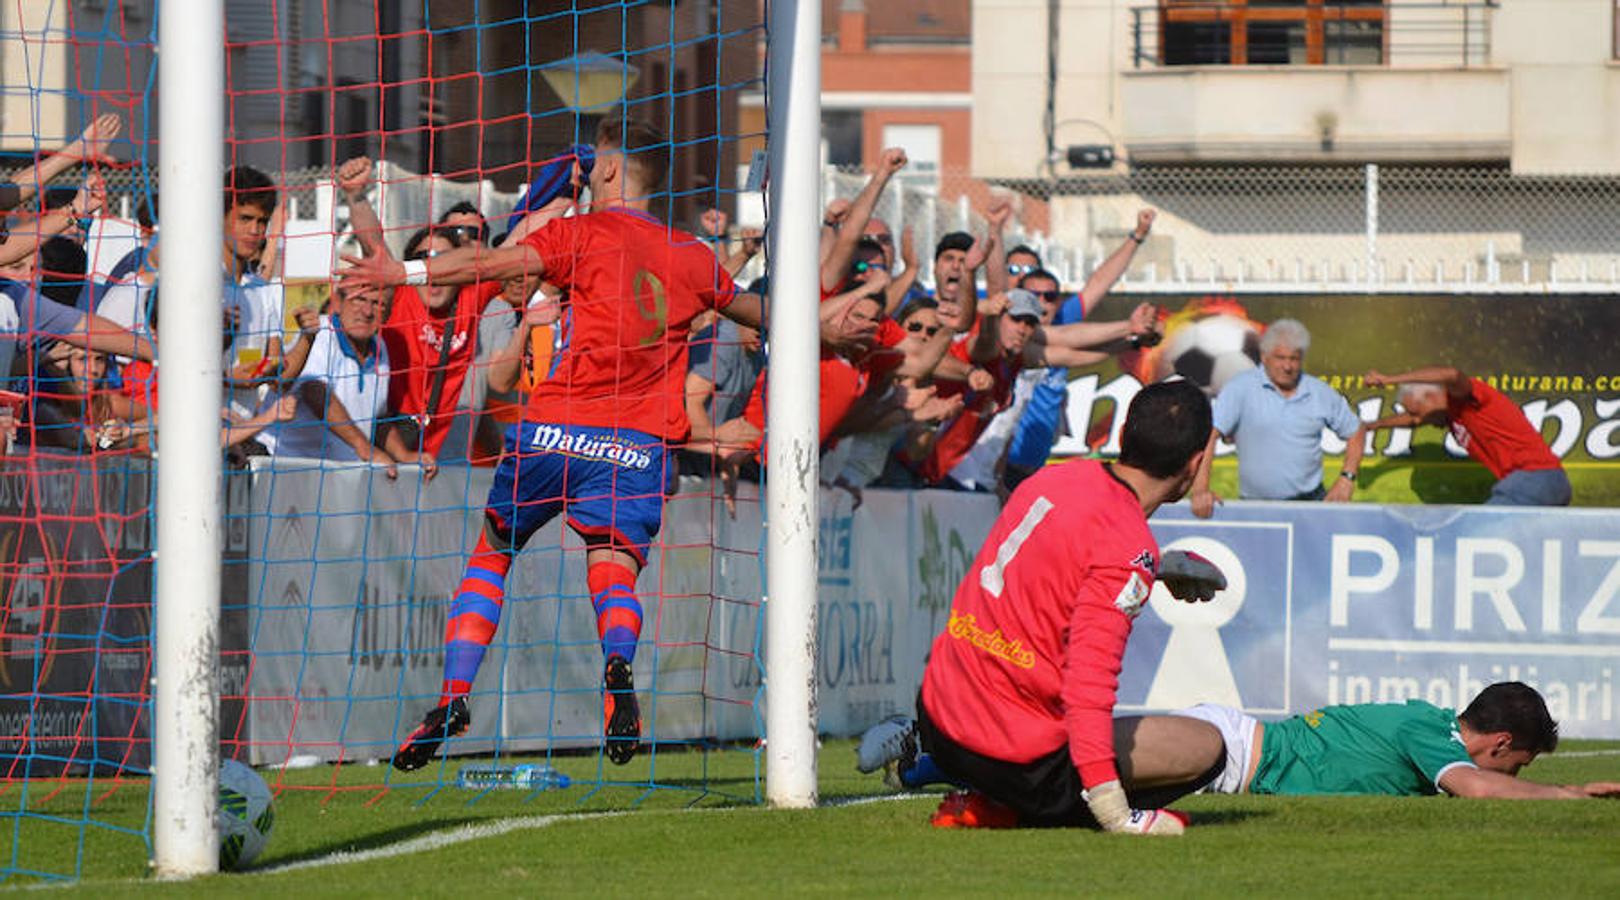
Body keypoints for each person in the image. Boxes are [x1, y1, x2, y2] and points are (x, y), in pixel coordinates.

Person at [338, 118, 765, 770]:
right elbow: (759, 314)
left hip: (554, 430)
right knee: (613, 562)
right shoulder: (693, 258)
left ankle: (454, 696)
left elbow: (491, 260)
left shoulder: (583, 233)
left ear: (616, 170)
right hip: (634, 446)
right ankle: (617, 664)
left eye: (594, 166)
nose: (589, 173)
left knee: (495, 553)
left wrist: (403, 269)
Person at [915, 379, 1218, 834]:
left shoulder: (1056, 477)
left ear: (1122, 437)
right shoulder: (1128, 548)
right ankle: (1009, 806)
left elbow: (1053, 573)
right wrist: (1112, 808)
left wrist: (1154, 570)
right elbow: (1088, 683)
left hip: (939, 717)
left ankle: (954, 776)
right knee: (1208, 748)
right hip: (1013, 756)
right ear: (1195, 464)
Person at [1172, 682, 1619, 799]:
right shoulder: (1434, 736)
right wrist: (1569, 794)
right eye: (1520, 765)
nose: (1515, 775)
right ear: (1500, 743)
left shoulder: (1430, 722)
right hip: (1225, 752)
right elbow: (1479, 788)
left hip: (1226, 749)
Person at [338, 156, 502, 469]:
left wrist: (563, 191)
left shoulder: (472, 295)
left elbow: (520, 241)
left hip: (439, 462)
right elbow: (374, 247)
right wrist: (356, 196)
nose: (433, 269)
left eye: (441, 259)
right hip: (388, 449)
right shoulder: (401, 295)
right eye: (423, 258)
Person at [1190, 318, 1364, 517]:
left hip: (1311, 504)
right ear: (1264, 357)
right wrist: (1200, 489)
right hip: (1255, 507)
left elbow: (1356, 430)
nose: (1287, 366)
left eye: (1294, 358)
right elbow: (1209, 435)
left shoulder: (1319, 393)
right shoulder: (1240, 389)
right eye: (1280, 358)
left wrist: (1346, 478)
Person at [1362, 365, 1571, 506]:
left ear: (1431, 396)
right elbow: (1411, 421)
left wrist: (1389, 379)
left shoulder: (1471, 399)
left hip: (1535, 479)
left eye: (1415, 411)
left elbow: (1451, 374)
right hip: (1538, 483)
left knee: (1478, 536)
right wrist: (1373, 425)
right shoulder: (1452, 417)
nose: (1417, 420)